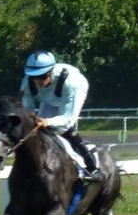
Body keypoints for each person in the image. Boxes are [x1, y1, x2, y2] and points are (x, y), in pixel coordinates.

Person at [20, 50, 103, 182]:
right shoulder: (27, 83)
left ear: (51, 72)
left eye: (42, 76)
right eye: (34, 76)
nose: (38, 81)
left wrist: (47, 121)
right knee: (39, 130)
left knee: (62, 128)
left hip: (72, 92)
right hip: (50, 99)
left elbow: (67, 118)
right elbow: (27, 112)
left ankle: (92, 165)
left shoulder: (71, 82)